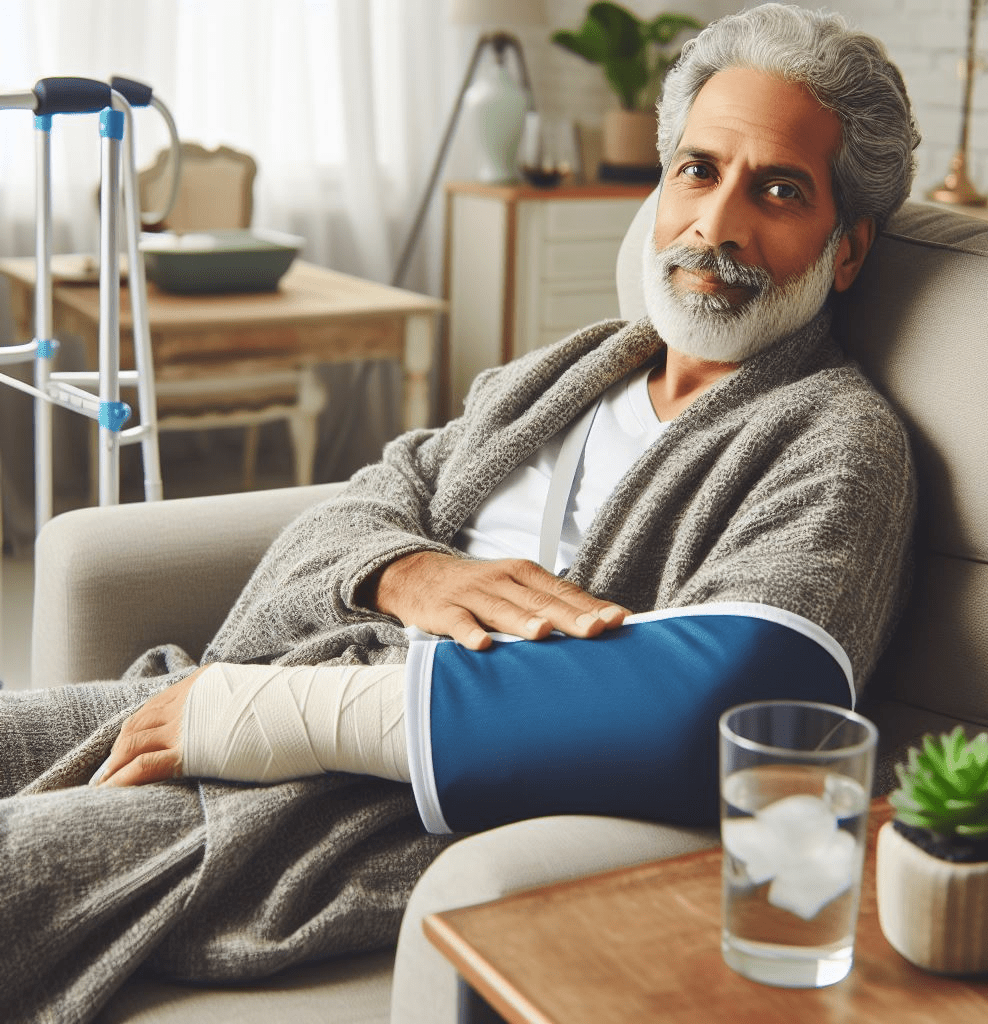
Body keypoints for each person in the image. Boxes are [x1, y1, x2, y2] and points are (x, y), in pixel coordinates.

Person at [0, 4, 920, 1020]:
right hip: (275, 685)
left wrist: (268, 717)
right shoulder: (571, 369)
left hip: (361, 802)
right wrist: (412, 571)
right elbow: (373, 496)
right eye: (697, 170)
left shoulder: (835, 438)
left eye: (779, 189)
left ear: (844, 249)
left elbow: (737, 697)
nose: (717, 224)